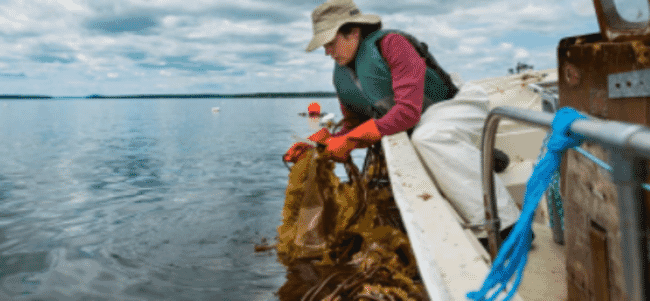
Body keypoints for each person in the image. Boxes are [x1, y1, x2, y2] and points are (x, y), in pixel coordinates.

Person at [285, 0, 521, 241]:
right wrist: (319, 147)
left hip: (453, 106)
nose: (327, 52)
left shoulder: (392, 44)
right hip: (422, 120)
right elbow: (352, 126)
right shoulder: (342, 75)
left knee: (429, 137)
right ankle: (487, 157)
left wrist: (350, 140)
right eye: (324, 46)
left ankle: (507, 227)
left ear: (353, 32)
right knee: (425, 136)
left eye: (330, 43)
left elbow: (407, 113)